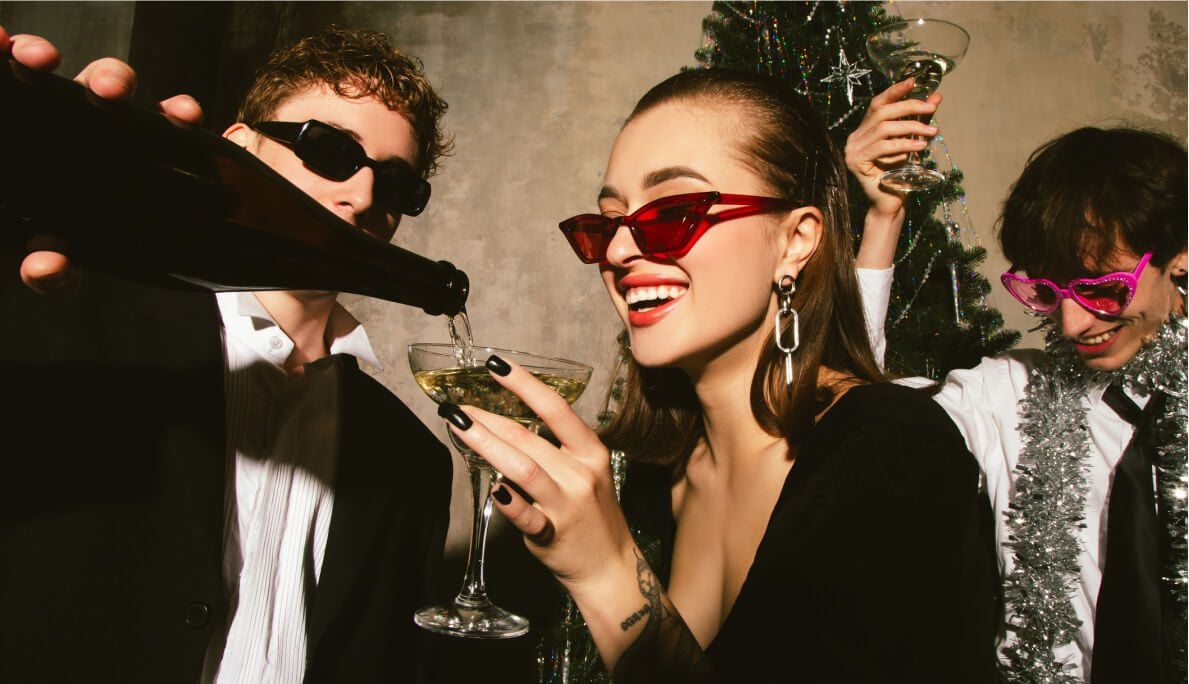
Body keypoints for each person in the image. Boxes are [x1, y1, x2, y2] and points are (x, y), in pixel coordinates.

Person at [431, 67, 1001, 682]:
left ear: (796, 240)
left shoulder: (897, 452)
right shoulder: (654, 476)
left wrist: (605, 572)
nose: (619, 252)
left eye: (673, 212)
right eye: (607, 222)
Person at [0, 25, 454, 683]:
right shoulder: (60, 330)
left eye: (394, 183)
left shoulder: (413, 461)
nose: (361, 197)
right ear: (240, 148)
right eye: (330, 151)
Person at [848, 86, 1188, 682]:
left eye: (1104, 289)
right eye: (1048, 293)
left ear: (1179, 264)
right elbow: (855, 408)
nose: (1073, 324)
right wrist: (883, 218)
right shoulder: (1011, 394)